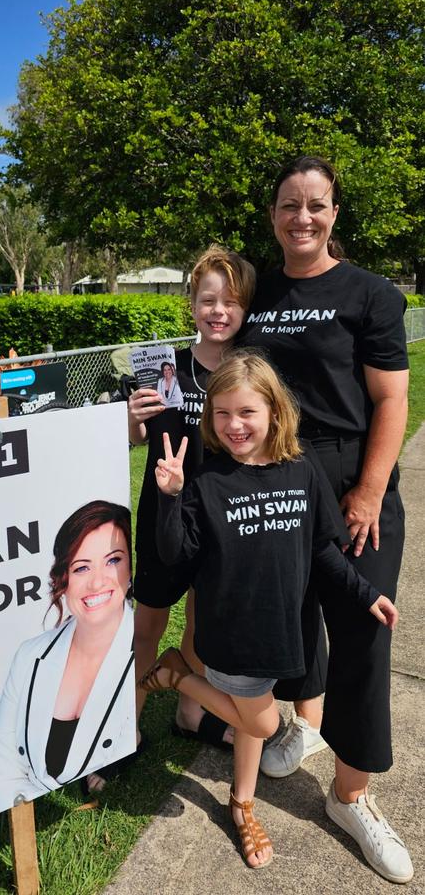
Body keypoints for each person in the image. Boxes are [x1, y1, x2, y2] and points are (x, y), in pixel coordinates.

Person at [139, 350, 397, 870]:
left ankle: (242, 803)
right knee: (259, 725)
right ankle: (175, 676)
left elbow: (324, 550)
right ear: (211, 419)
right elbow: (177, 553)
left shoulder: (300, 471)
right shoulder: (209, 482)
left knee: (252, 717)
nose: (234, 425)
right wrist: (171, 496)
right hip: (230, 632)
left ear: (274, 412)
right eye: (222, 414)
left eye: (247, 412)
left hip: (282, 634)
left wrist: (364, 592)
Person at [239, 155, 413, 883]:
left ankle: (351, 795)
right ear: (273, 214)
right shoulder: (259, 289)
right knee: (293, 619)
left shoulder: (369, 294)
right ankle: (304, 726)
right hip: (278, 480)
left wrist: (370, 490)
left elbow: (393, 401)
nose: (301, 217)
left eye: (315, 204)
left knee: (365, 634)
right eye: (288, 205)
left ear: (335, 212)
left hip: (350, 484)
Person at [128, 245, 255, 748]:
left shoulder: (250, 374)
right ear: (192, 304)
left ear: (245, 309)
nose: (219, 311)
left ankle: (189, 712)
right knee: (148, 627)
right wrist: (132, 422)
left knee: (202, 629)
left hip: (221, 520)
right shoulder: (164, 370)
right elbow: (135, 438)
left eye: (231, 301)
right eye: (208, 299)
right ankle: (123, 729)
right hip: (164, 514)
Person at [0, 501, 135, 817]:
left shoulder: (141, 647)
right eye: (81, 567)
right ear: (63, 579)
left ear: (131, 570)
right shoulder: (31, 656)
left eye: (113, 561)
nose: (96, 581)